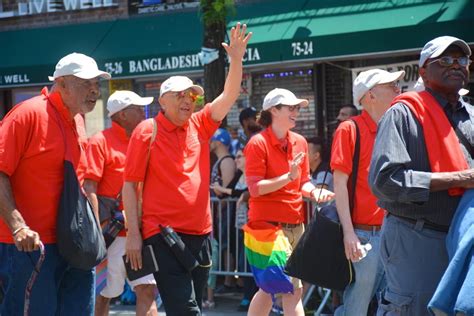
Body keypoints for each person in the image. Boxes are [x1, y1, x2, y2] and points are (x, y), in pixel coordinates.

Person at [122, 23, 251, 315]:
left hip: (201, 234)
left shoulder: (200, 123)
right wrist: (133, 234)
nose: (187, 100)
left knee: (188, 308)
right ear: (162, 100)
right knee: (187, 310)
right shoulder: (147, 130)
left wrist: (237, 60)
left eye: (191, 96)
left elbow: (228, 96)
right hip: (162, 234)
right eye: (179, 95)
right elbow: (130, 185)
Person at [369, 36, 474, 315]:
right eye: (445, 60)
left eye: (462, 60)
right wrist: (460, 178)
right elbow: (385, 180)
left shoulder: (472, 115)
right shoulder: (403, 114)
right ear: (424, 72)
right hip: (417, 236)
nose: (456, 65)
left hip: (466, 237)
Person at [0, 52, 110, 315]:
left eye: (97, 84)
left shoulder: (79, 120)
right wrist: (18, 227)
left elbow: (80, 183)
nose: (94, 90)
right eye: (86, 83)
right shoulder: (27, 114)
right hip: (29, 246)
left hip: (73, 245)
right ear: (61, 84)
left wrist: (94, 233)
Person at [245, 88, 334, 316]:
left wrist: (315, 193)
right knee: (283, 289)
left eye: (297, 107)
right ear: (274, 110)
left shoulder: (300, 142)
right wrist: (288, 177)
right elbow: (255, 189)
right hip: (267, 228)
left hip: (296, 225)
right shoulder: (257, 143)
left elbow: (303, 181)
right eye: (291, 107)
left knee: (278, 289)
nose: (296, 112)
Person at [331, 68, 405, 316]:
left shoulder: (395, 126)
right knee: (357, 308)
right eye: (391, 85)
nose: (398, 89)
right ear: (370, 95)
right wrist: (349, 233)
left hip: (393, 232)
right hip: (364, 236)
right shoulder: (349, 129)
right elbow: (339, 184)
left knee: (392, 306)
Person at [83, 90, 158, 316]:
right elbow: (89, 187)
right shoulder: (100, 141)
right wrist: (96, 231)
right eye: (139, 109)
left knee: (147, 289)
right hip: (111, 235)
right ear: (123, 115)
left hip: (140, 231)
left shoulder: (146, 141)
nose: (145, 114)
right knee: (103, 295)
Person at [210, 148, 258, 311]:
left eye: (239, 157)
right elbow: (228, 193)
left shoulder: (253, 174)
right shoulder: (238, 175)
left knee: (248, 261)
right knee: (240, 259)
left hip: (253, 225)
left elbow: (245, 192)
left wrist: (226, 191)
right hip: (238, 225)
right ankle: (248, 296)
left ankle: (250, 297)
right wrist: (219, 189)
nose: (235, 160)